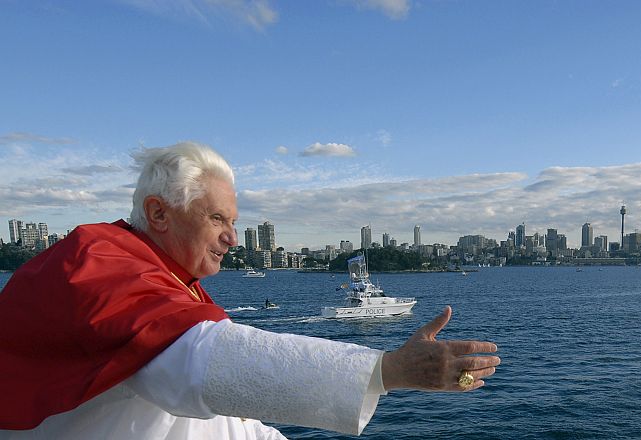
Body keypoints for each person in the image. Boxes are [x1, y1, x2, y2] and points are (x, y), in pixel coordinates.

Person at [0, 142, 500, 439]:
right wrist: (387, 370)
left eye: (234, 222)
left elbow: (212, 411)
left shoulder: (166, 281)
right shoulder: (96, 265)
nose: (232, 238)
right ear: (158, 213)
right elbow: (201, 365)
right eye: (217, 218)